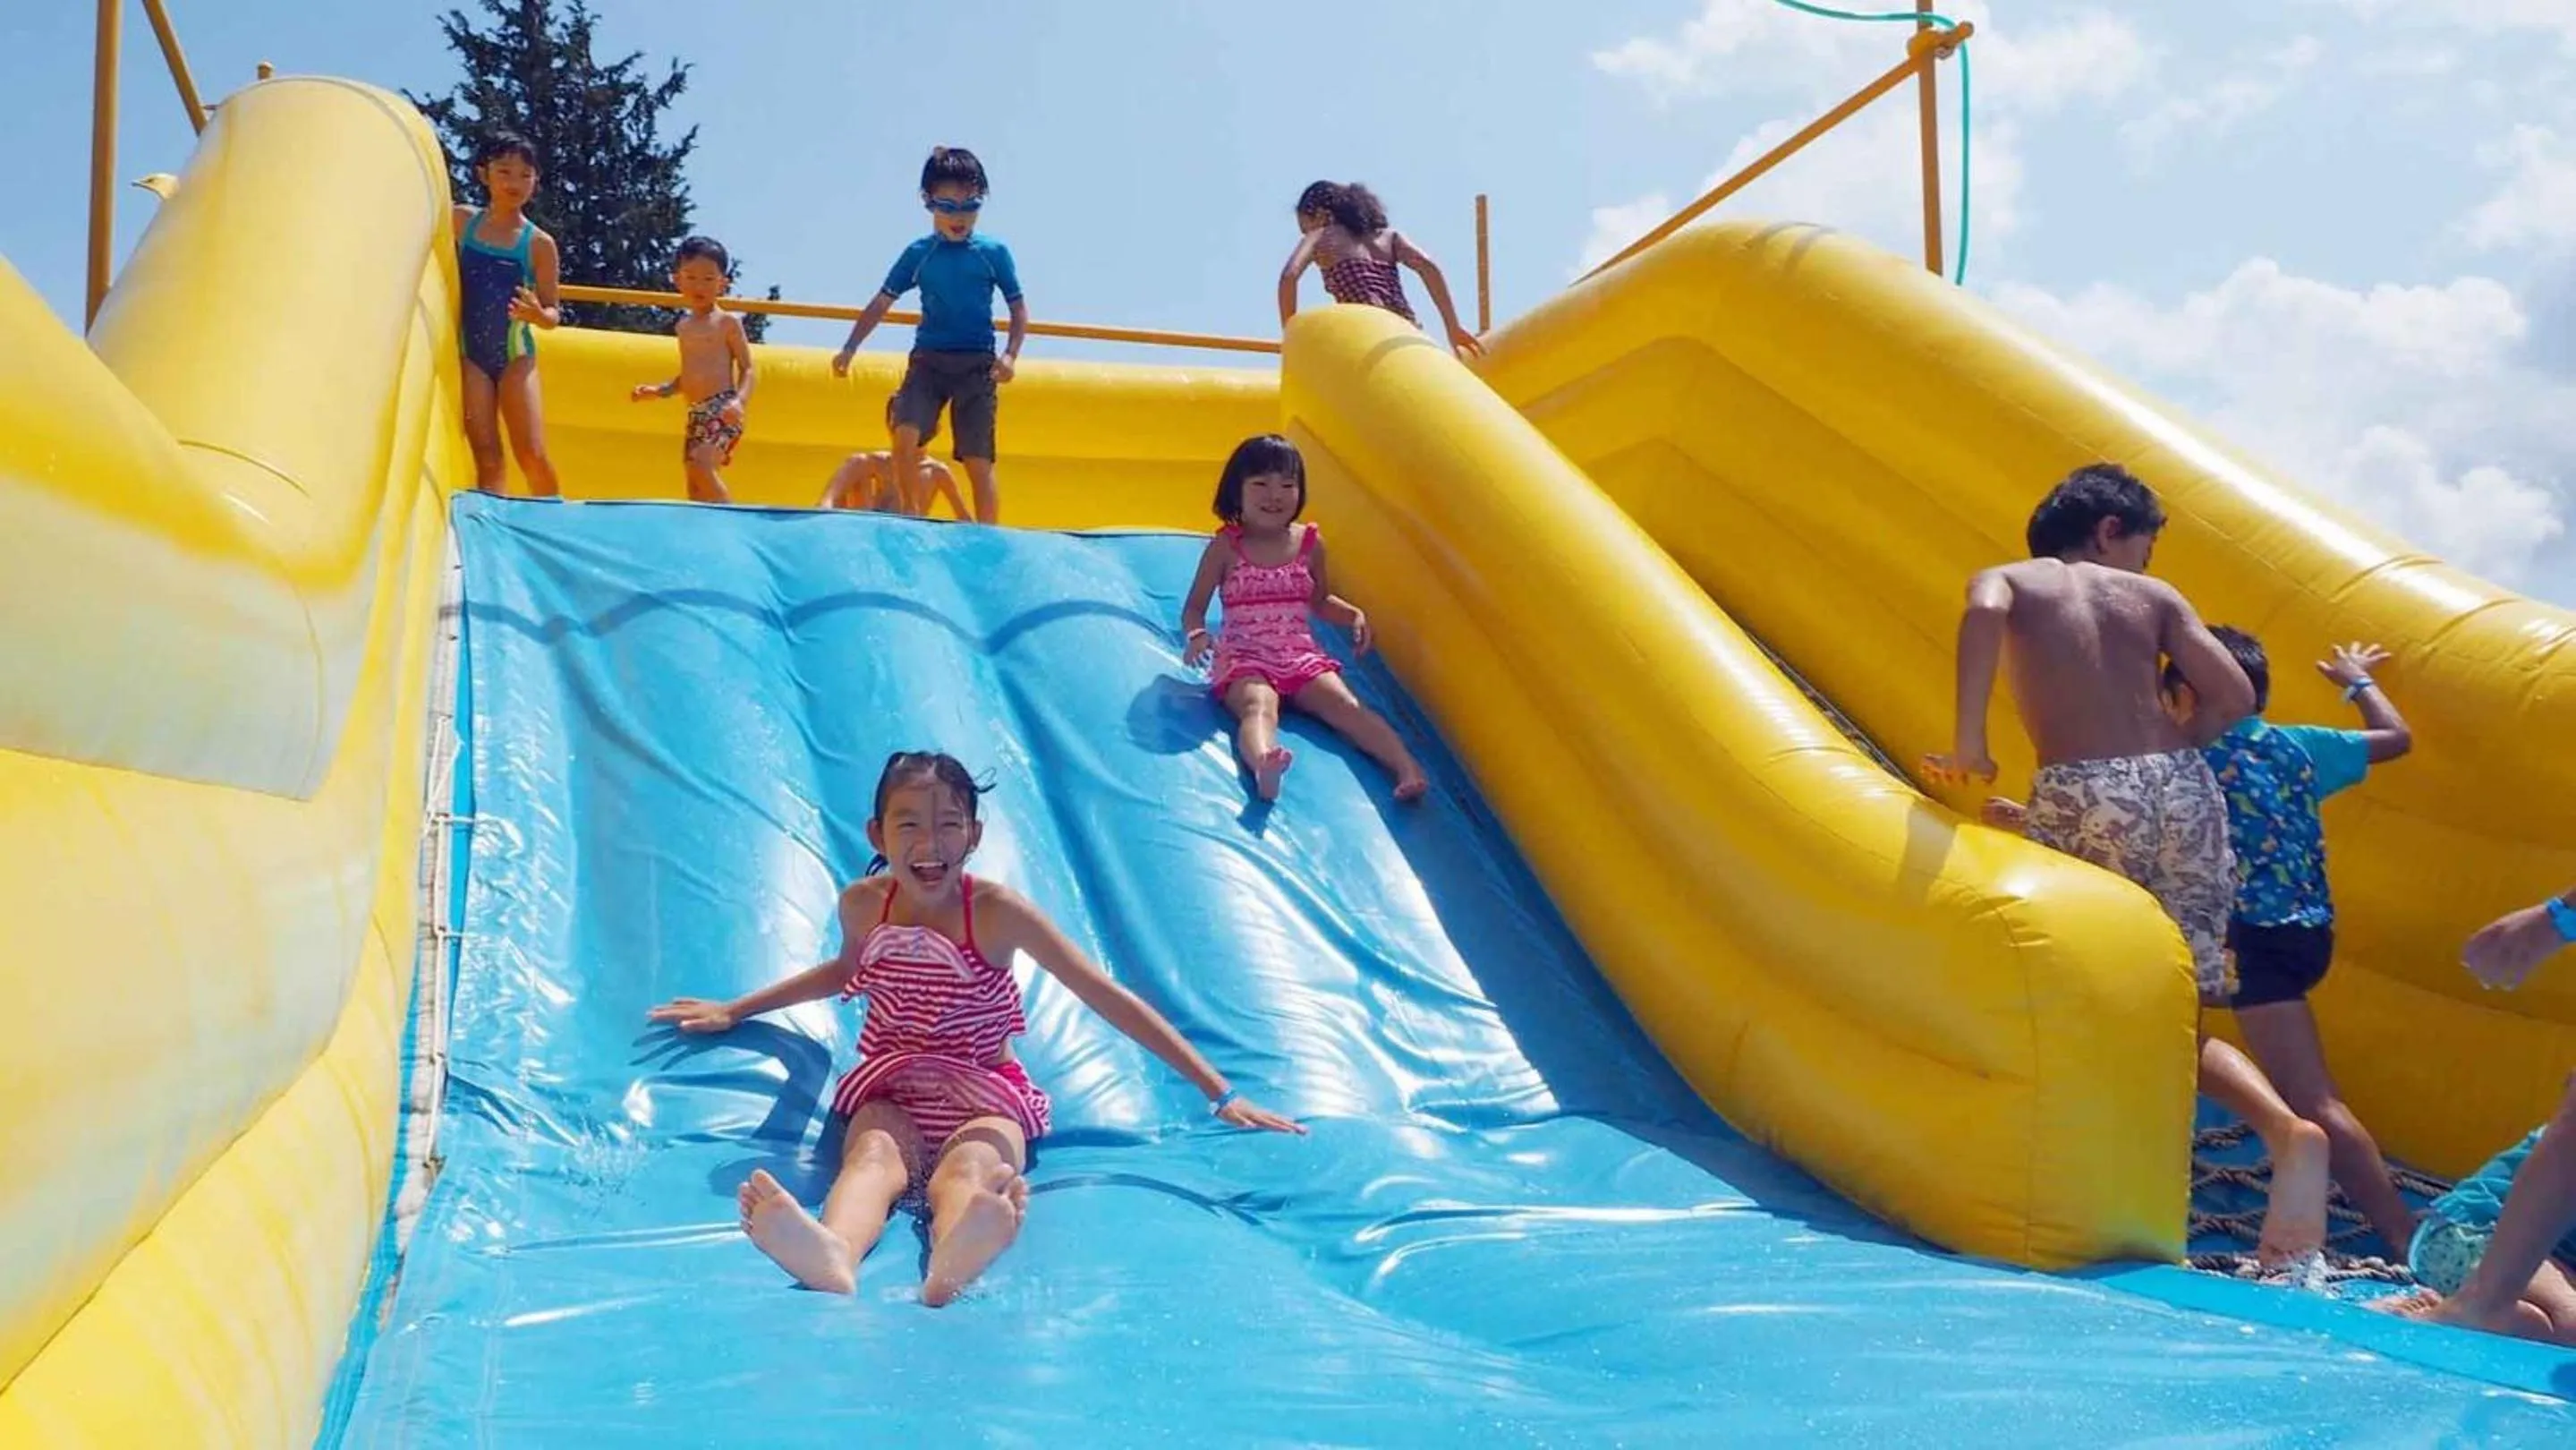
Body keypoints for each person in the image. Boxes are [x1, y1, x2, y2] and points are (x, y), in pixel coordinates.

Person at [647, 750, 1304, 1306]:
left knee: (966, 1171)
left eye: (947, 826)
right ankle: (834, 1254)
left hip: (986, 1094)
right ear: (877, 836)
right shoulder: (862, 905)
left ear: (974, 836)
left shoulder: (994, 913)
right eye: (909, 825)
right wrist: (737, 1009)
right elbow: (842, 971)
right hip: (893, 1088)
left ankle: (951, 1264)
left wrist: (1219, 1091)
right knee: (870, 1160)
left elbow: (1103, 994)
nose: (929, 846)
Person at [1923, 463, 2334, 1267]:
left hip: (2084, 788)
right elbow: (2234, 699)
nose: (2140, 566)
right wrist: (2174, 749)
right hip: (2184, 796)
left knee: (2073, 979)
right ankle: (2285, 1131)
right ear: (2109, 531)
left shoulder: (2009, 579)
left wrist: (1971, 740)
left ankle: (2077, 1182)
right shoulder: (2156, 600)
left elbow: (1981, 612)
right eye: (2143, 550)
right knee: (2175, 1004)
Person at [1986, 627, 2419, 1253]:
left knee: (2299, 1094)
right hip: (2303, 936)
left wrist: (2025, 823)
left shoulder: (2184, 768)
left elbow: (2116, 845)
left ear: (2187, 695)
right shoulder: (2298, 747)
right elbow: (2395, 740)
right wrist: (2358, 682)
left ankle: (2396, 1230)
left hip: (2243, 940)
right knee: (2167, 1023)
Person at [1178, 434, 1427, 805]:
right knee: (1258, 705)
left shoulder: (1310, 544)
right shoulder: (1225, 549)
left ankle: (1405, 767)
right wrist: (1197, 635)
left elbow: (1320, 600)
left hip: (1298, 655)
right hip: (1245, 657)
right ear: (1236, 493)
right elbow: (1194, 607)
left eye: (1287, 485)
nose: (1274, 494)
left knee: (1347, 705)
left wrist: (1354, 615)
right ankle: (1264, 762)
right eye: (1261, 484)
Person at [2384, 885, 2576, 1343]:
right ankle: (2474, 1304)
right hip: (2476, 1233)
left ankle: (2496, 1309)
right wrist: (2558, 918)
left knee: (2553, 1329)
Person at [830, 147, 1025, 525]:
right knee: (905, 433)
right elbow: (881, 302)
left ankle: (987, 533)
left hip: (977, 363)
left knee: (977, 457)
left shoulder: (993, 252)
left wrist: (1011, 354)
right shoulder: (920, 253)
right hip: (929, 360)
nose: (959, 217)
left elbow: (1018, 308)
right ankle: (910, 515)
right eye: (948, 206)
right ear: (927, 202)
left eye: (970, 206)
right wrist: (850, 346)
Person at [452, 131, 563, 497]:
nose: (514, 183)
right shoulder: (462, 221)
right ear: (484, 174)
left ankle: (551, 520)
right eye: (504, 172)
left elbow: (553, 313)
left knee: (530, 453)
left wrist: (537, 314)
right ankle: (491, 529)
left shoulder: (538, 244)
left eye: (524, 175)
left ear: (536, 181)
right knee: (487, 454)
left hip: (517, 356)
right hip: (473, 356)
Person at [1278, 181, 1482, 357]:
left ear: (1321, 215)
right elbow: (1428, 267)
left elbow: (1289, 276)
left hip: (1365, 329)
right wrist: (1452, 326)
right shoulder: (1387, 236)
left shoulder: (1320, 236)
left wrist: (1291, 334)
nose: (1306, 232)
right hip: (1405, 329)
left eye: (1305, 227)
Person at [629, 235, 754, 504]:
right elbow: (688, 375)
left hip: (722, 407)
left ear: (723, 284)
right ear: (678, 280)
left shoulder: (727, 322)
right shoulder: (683, 326)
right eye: (692, 277)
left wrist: (739, 402)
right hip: (696, 412)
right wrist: (661, 391)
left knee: (701, 465)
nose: (700, 286)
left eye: (709, 279)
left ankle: (734, 525)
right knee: (694, 485)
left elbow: (748, 368)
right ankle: (707, 535)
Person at [818, 399, 969, 517]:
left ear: (935, 428)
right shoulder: (877, 463)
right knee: (858, 462)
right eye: (895, 424)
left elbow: (963, 516)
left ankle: (830, 510)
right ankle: (826, 507)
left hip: (906, 528)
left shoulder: (936, 472)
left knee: (860, 463)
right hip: (875, 521)